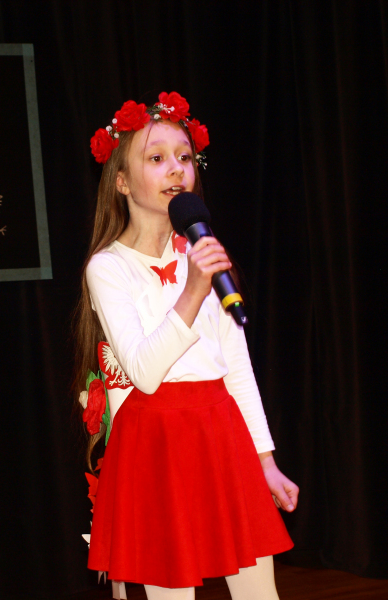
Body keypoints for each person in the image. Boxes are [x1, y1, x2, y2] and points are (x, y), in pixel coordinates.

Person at [73, 92, 299, 600]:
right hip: (155, 441)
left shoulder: (202, 253)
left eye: (184, 157)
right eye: (156, 158)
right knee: (170, 588)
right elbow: (144, 371)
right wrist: (194, 290)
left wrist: (264, 461)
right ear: (122, 181)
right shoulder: (108, 268)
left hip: (220, 430)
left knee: (259, 591)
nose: (176, 169)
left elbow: (236, 365)